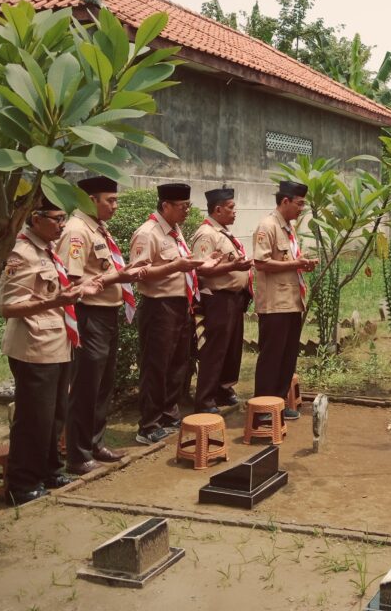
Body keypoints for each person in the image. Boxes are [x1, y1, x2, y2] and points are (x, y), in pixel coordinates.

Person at [0, 195, 103, 505]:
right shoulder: (21, 254)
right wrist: (58, 301)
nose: (62, 224)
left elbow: (52, 292)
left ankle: (49, 471)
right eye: (56, 219)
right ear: (35, 218)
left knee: (56, 414)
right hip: (34, 347)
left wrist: (76, 291)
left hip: (58, 342)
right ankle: (22, 484)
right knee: (34, 418)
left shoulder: (46, 249)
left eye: (62, 218)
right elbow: (9, 306)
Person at [56, 176, 148, 475]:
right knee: (86, 385)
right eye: (110, 200)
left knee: (102, 384)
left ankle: (95, 444)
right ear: (91, 200)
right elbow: (70, 280)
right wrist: (117, 278)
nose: (116, 206)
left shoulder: (97, 228)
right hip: (88, 314)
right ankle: (78, 454)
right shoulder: (76, 231)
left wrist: (125, 273)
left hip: (107, 313)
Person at [129, 183, 218, 445]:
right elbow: (138, 273)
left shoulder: (175, 231)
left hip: (181, 304)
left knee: (177, 363)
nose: (186, 212)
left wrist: (204, 262)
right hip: (159, 306)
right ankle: (148, 425)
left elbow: (183, 264)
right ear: (165, 205)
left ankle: (168, 414)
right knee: (155, 365)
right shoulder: (148, 234)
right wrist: (175, 266)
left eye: (188, 206)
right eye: (182, 206)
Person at [252, 181, 318, 419]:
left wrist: (303, 264)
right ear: (285, 201)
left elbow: (289, 262)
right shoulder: (267, 226)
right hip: (274, 304)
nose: (301, 209)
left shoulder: (289, 228)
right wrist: (296, 264)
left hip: (291, 301)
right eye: (299, 204)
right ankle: (262, 408)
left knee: (288, 356)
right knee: (272, 356)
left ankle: (278, 403)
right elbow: (260, 263)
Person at [191, 186, 255, 413]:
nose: (235, 211)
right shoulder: (206, 235)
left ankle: (223, 389)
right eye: (231, 207)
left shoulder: (223, 232)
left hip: (233, 299)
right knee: (215, 350)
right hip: (217, 299)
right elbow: (200, 271)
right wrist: (234, 266)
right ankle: (205, 399)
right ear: (217, 209)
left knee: (230, 349)